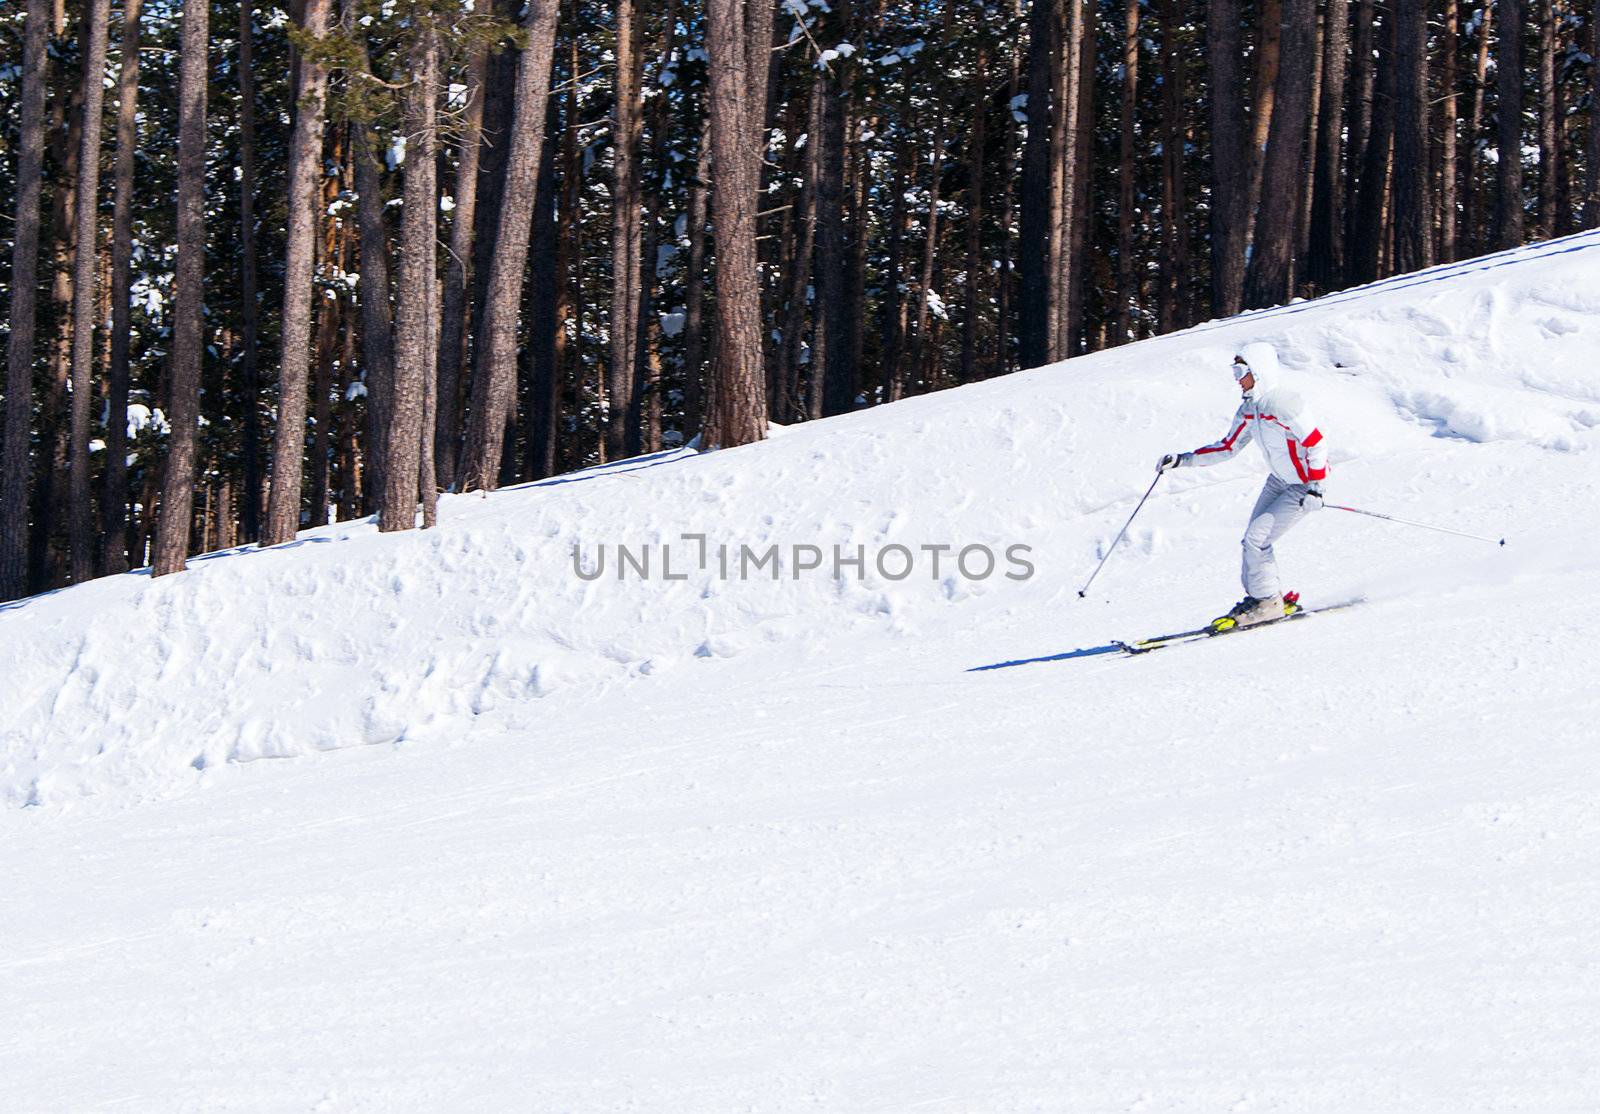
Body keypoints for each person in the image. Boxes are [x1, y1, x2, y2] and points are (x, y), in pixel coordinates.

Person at [1156, 341, 1328, 629]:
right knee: (1253, 541)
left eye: (1241, 371)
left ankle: (1267, 602)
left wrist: (1316, 488)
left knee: (1256, 540)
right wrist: (1183, 460)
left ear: (1258, 371)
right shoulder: (1250, 409)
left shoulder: (1284, 404)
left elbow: (1316, 443)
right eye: (1234, 371)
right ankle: (1262, 596)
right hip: (1278, 482)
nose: (1237, 379)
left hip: (1302, 485)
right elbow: (1228, 447)